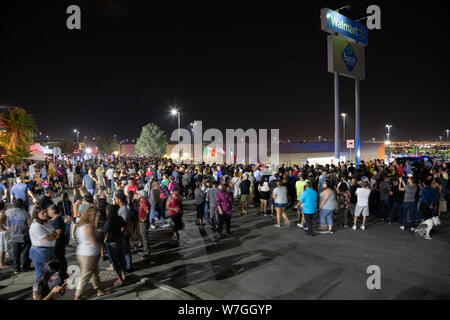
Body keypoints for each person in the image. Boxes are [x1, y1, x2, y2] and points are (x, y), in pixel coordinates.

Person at [74, 205, 110, 299]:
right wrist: (101, 237)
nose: (97, 218)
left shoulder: (81, 225)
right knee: (85, 275)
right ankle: (77, 296)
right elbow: (94, 241)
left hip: (83, 253)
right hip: (89, 255)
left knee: (94, 273)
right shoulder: (88, 227)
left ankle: (100, 290)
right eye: (96, 216)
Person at [29, 207, 58, 279]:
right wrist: (55, 235)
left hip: (49, 249)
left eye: (45, 212)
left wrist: (54, 234)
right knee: (41, 273)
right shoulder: (36, 226)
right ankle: (40, 289)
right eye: (42, 213)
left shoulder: (45, 222)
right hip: (40, 251)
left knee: (51, 272)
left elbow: (54, 233)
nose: (45, 214)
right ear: (36, 214)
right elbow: (49, 238)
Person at [103, 204, 127, 287]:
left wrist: (105, 240)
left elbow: (107, 233)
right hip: (120, 240)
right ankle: (124, 275)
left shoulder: (109, 222)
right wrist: (120, 234)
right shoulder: (119, 218)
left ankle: (120, 279)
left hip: (112, 243)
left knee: (115, 262)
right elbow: (124, 227)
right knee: (121, 259)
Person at [6, 199, 32, 274]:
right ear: (22, 205)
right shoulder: (25, 213)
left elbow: (9, 227)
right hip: (24, 236)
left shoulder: (9, 214)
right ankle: (25, 267)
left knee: (16, 254)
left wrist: (12, 234)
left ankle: (16, 269)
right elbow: (29, 225)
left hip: (14, 237)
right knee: (25, 253)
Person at [47, 205, 68, 279]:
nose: (48, 212)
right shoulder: (53, 219)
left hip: (58, 242)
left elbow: (58, 232)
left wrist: (51, 239)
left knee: (60, 257)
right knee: (59, 257)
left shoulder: (57, 219)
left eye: (49, 210)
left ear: (53, 210)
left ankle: (63, 273)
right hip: (55, 242)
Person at [115, 194, 132, 272]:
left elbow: (124, 222)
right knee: (124, 249)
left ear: (119, 200)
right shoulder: (122, 208)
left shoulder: (124, 209)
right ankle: (126, 265)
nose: (115, 200)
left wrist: (119, 232)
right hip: (124, 232)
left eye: (116, 199)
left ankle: (128, 266)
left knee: (125, 250)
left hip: (124, 233)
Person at [137, 190, 151, 257]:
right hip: (142, 221)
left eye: (138, 194)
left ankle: (147, 252)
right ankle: (145, 249)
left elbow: (147, 211)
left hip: (143, 222)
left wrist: (145, 218)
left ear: (141, 195)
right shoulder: (143, 201)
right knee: (143, 236)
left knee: (145, 237)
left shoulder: (144, 201)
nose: (137, 195)